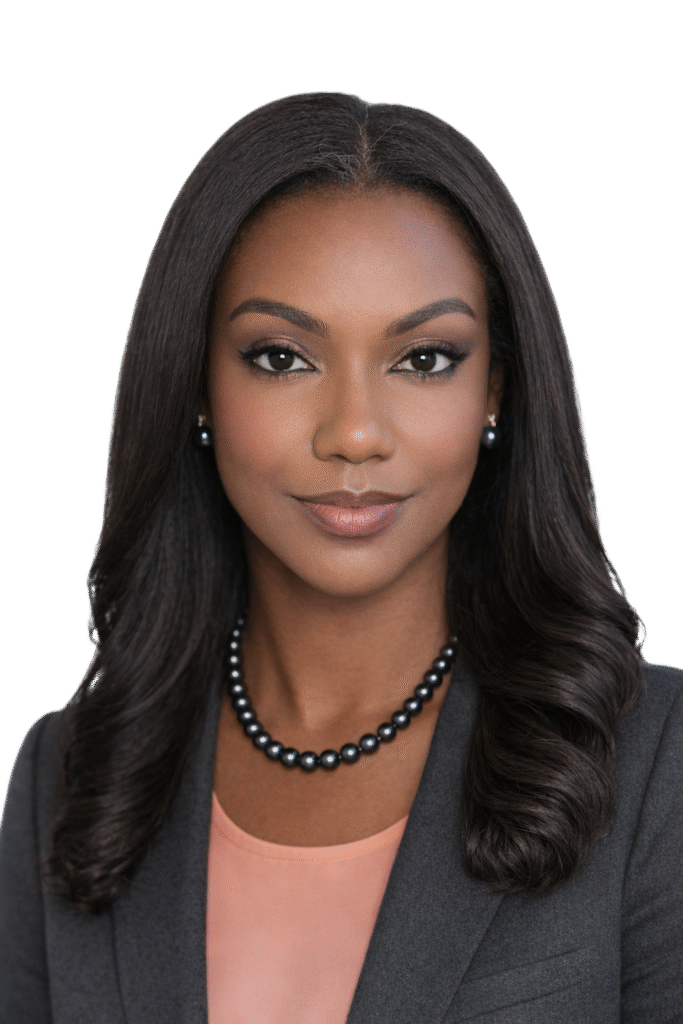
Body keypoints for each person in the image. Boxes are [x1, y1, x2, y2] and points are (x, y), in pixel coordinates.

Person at [0, 91, 681, 1024]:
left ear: (496, 389)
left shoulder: (656, 763)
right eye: (282, 358)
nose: (355, 434)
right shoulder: (68, 778)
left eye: (424, 359)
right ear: (196, 385)